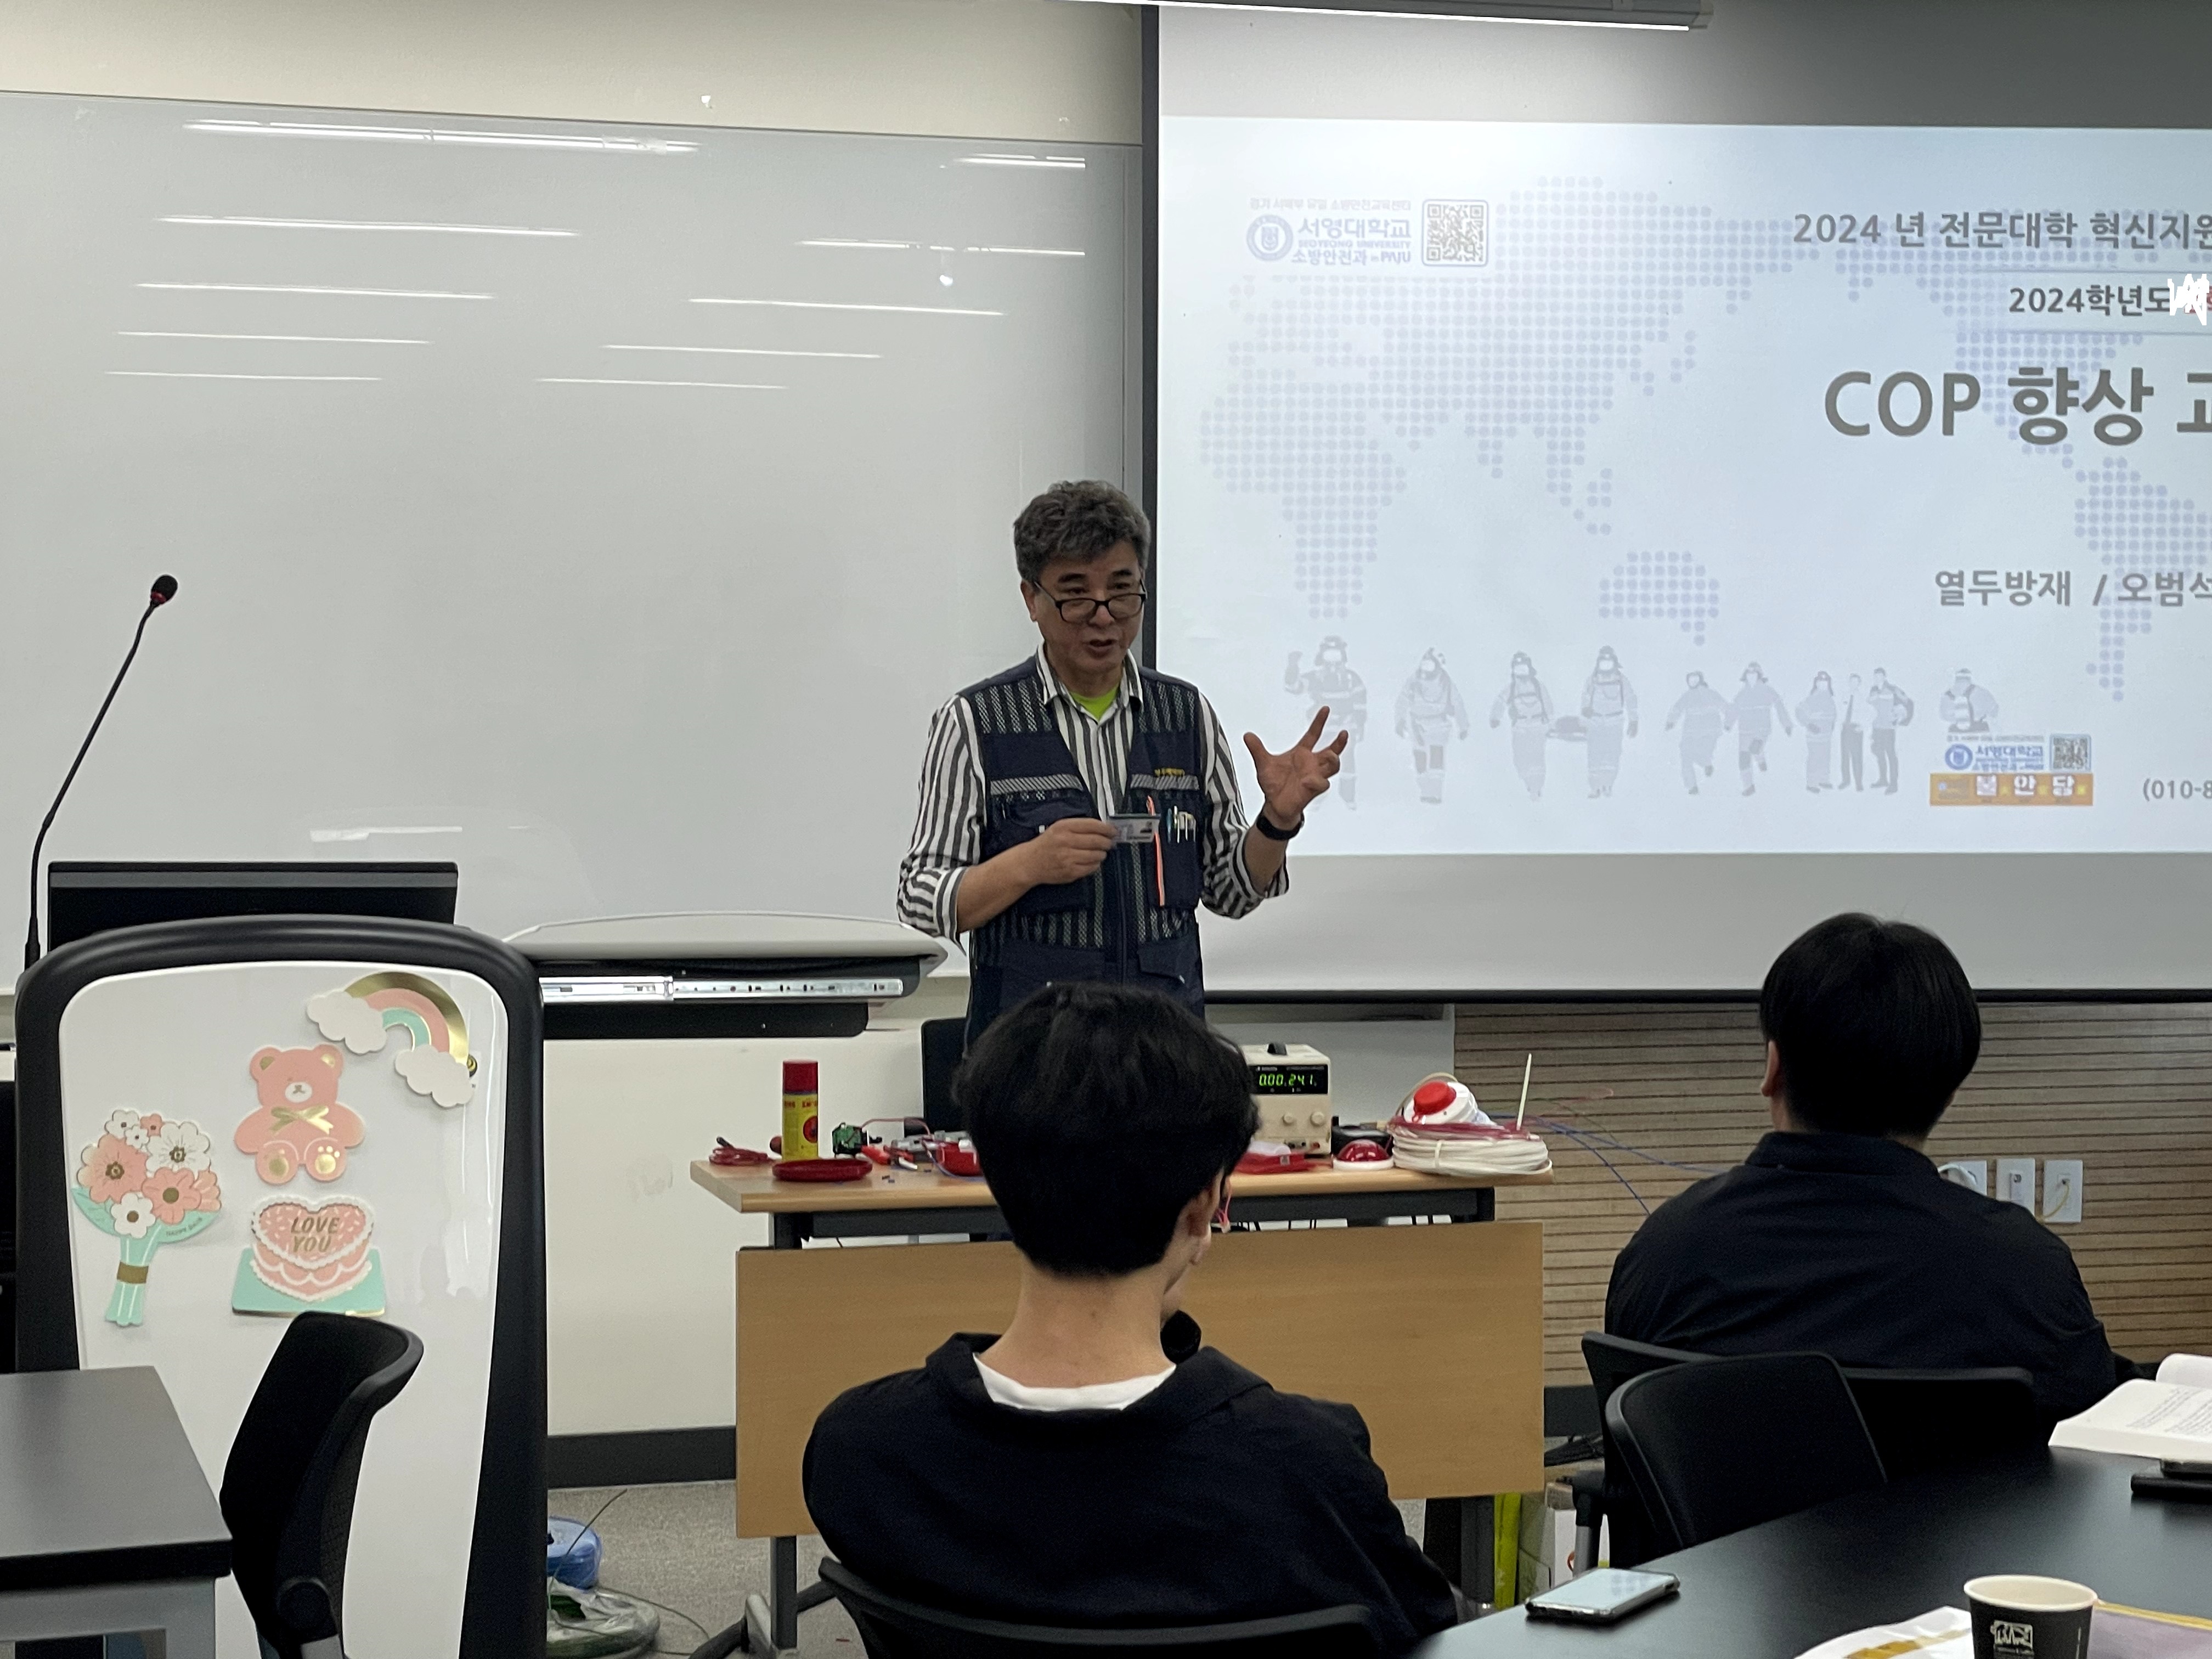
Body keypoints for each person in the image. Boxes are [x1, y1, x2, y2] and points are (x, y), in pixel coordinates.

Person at [803, 983, 1461, 1652]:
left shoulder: (861, 1453)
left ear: (996, 1182)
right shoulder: (1309, 1471)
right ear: (1203, 1209)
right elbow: (1429, 1628)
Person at [1606, 913, 2123, 1426]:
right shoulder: (2027, 1272)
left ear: (1773, 1068)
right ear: (1949, 1092)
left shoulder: (1667, 1254)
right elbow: (2099, 1446)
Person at [898, 481, 1344, 1042]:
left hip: (1164, 1048)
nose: (1103, 617)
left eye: (1122, 591)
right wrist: (1028, 863)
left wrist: (1277, 820)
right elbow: (920, 897)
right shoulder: (976, 721)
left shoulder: (1186, 714)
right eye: (1076, 596)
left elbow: (1230, 890)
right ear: (1032, 599)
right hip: (1031, 1055)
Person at [1288, 637, 1369, 809]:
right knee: (1316, 765)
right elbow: (1294, 687)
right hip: (1322, 731)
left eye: (1337, 659)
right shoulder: (1316, 677)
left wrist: (1359, 725)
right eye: (1329, 658)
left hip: (1346, 730)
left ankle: (1349, 798)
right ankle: (1315, 800)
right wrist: (1293, 666)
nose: (1333, 666)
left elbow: (1360, 703)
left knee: (1348, 764)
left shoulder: (1351, 679)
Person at [1393, 648, 1469, 805]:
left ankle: (1435, 792)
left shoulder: (1446, 682)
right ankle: (1425, 790)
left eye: (1430, 665)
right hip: (1418, 727)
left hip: (1439, 725)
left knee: (1436, 758)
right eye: (1424, 664)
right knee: (1420, 759)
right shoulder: (1414, 681)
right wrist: (1400, 721)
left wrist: (1463, 726)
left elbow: (1457, 703)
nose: (1426, 670)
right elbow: (1402, 700)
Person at [1489, 651, 1554, 800]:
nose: (1521, 672)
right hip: (1520, 728)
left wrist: (1551, 724)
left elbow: (1548, 704)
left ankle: (1536, 786)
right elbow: (1500, 701)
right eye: (1518, 668)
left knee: (1537, 757)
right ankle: (1527, 781)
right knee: (1520, 758)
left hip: (1537, 727)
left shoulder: (1538, 686)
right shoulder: (1511, 688)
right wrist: (1495, 718)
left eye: (1524, 668)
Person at [1581, 646, 1638, 798]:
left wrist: (1634, 720)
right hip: (1596, 722)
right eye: (1603, 661)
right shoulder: (1593, 680)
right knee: (1595, 754)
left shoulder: (1621, 680)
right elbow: (1585, 696)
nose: (1606, 665)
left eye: (1609, 662)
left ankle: (1608, 784)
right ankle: (1595, 787)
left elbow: (1631, 699)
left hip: (1615, 722)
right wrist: (1585, 711)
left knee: (1612, 753)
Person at [1664, 670, 1732, 795]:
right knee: (1690, 755)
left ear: (1701, 680)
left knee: (1693, 755)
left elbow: (1726, 708)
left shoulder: (1705, 695)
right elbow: (1677, 709)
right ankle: (1697, 779)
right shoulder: (1692, 696)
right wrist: (1671, 722)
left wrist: (1728, 723)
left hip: (1703, 733)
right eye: (1691, 680)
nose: (1693, 683)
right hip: (1699, 733)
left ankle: (1701, 772)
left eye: (1695, 680)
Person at [1731, 662, 1792, 796]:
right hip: (1745, 731)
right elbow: (1734, 710)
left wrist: (1787, 724)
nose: (1751, 676)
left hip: (1761, 729)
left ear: (1759, 675)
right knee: (1744, 758)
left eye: (1754, 674)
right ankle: (1749, 786)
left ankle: (1760, 759)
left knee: (1755, 748)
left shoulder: (1767, 691)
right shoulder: (1742, 694)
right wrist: (1728, 723)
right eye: (1749, 674)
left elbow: (1780, 707)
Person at [1867, 668, 1914, 793]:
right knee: (1879, 753)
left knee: (1891, 755)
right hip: (1877, 728)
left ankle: (1894, 785)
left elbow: (1908, 702)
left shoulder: (1893, 689)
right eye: (1876, 676)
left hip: (1888, 729)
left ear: (1885, 677)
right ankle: (1883, 780)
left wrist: (1901, 719)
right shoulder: (1873, 690)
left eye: (1880, 676)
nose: (1878, 679)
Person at [1797, 672, 1837, 793]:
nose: (1823, 684)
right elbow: (1799, 712)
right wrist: (1809, 725)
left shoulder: (1830, 700)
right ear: (1816, 684)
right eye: (1820, 682)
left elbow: (1833, 716)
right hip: (1814, 737)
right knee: (1814, 758)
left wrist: (1831, 727)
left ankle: (1823, 780)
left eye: (1825, 682)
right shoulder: (1811, 699)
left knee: (1825, 758)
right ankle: (1812, 783)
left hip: (1826, 737)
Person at [1940, 668, 1999, 734]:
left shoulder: (1947, 695)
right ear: (1969, 678)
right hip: (1980, 730)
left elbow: (1943, 716)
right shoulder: (1982, 692)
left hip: (1956, 732)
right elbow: (1994, 712)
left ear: (1956, 678)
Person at [1838, 673, 1866, 793]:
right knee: (1845, 756)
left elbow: (1867, 714)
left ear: (1859, 684)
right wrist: (1840, 724)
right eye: (1852, 682)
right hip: (1846, 729)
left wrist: (1863, 726)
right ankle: (1846, 781)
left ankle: (1859, 783)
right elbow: (1840, 711)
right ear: (1849, 683)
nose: (1854, 684)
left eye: (1856, 682)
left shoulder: (1863, 698)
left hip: (1856, 729)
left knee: (1857, 757)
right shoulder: (1844, 696)